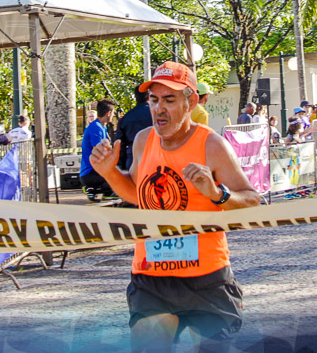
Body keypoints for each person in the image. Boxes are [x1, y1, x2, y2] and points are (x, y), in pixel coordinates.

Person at [89, 61, 261, 349]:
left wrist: (217, 193)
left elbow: (253, 201)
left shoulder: (212, 145)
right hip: (151, 275)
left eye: (169, 100)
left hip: (205, 277)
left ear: (190, 101)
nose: (159, 109)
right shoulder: (144, 140)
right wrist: (109, 172)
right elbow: (136, 194)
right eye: (154, 100)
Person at [80, 99, 116, 200]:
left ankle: (105, 191)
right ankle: (92, 188)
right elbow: (99, 152)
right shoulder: (96, 128)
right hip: (90, 172)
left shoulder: (102, 127)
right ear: (108, 113)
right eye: (113, 113)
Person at [115, 89, 152, 171]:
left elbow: (120, 145)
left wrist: (121, 166)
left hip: (132, 159)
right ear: (149, 97)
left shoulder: (126, 118)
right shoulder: (156, 115)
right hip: (153, 156)